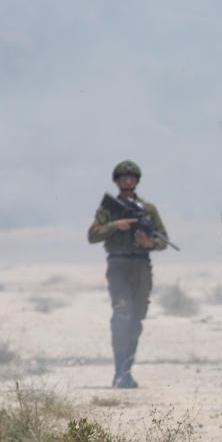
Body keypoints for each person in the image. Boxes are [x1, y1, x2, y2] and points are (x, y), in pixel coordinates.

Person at [88, 160, 170, 388]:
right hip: (118, 267)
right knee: (121, 316)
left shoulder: (148, 210)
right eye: (123, 177)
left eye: (131, 178)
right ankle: (118, 372)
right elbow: (93, 235)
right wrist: (116, 225)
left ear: (136, 181)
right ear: (116, 181)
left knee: (135, 320)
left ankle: (127, 371)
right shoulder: (108, 209)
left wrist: (149, 243)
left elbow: (163, 240)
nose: (127, 181)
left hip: (141, 267)